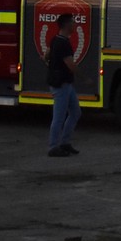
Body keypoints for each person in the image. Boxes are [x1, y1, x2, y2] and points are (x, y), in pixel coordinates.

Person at [46, 11, 82, 157]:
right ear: (67, 25)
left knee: (75, 112)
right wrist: (84, 78)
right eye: (73, 22)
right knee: (59, 117)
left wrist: (49, 62)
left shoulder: (55, 39)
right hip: (61, 84)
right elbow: (70, 64)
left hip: (64, 84)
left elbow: (46, 55)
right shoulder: (63, 43)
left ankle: (65, 143)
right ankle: (53, 147)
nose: (75, 24)